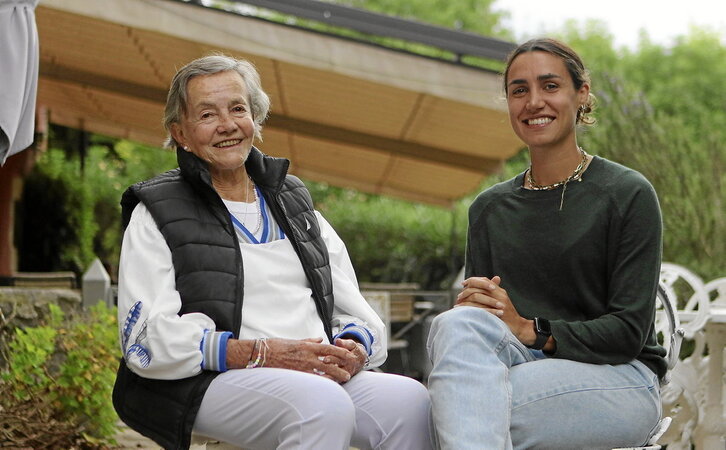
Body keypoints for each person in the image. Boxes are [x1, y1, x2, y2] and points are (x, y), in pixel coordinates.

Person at [112, 54, 433, 450]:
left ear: (255, 119)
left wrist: (354, 345)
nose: (227, 125)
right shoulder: (157, 209)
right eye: (207, 115)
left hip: (314, 372)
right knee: (320, 404)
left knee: (410, 401)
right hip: (211, 379)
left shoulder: (293, 202)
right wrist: (259, 353)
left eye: (237, 109)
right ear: (180, 133)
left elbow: (354, 309)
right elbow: (144, 338)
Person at [426, 38, 666, 449]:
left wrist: (532, 329)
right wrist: (481, 308)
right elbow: (481, 325)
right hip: (516, 364)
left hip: (619, 375)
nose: (534, 101)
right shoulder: (489, 208)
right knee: (455, 324)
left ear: (581, 95)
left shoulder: (626, 193)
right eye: (520, 90)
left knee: (448, 414)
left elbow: (628, 330)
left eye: (550, 86)